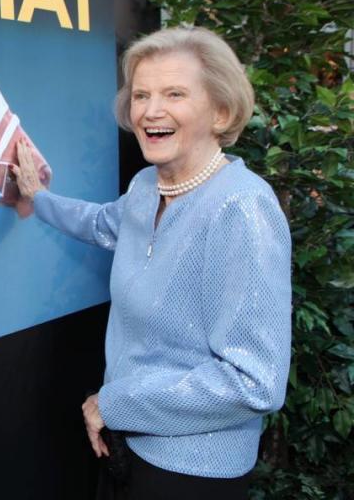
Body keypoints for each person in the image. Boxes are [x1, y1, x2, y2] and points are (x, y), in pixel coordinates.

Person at [14, 27, 291, 498]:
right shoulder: (147, 186)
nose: (150, 110)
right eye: (141, 95)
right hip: (128, 450)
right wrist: (38, 198)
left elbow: (255, 383)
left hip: (193, 474)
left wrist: (113, 404)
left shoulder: (241, 208)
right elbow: (103, 223)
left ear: (220, 111)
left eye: (174, 94)